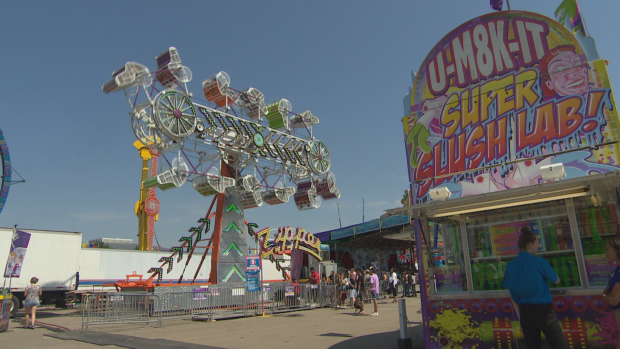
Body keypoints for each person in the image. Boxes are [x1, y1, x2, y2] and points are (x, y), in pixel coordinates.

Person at [502, 226, 567, 349]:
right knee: (560, 345)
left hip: (526, 314)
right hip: (545, 313)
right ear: (530, 244)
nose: (539, 246)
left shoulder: (510, 266)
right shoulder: (539, 262)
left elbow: (513, 297)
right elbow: (556, 280)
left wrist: (521, 319)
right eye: (537, 243)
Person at [602, 238, 620, 349]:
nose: (605, 253)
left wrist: (605, 296)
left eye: (607, 249)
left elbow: (614, 299)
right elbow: (607, 291)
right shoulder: (617, 269)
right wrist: (606, 296)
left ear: (617, 250)